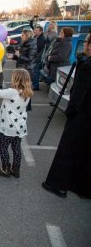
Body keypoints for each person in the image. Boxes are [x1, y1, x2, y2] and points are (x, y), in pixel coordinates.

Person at [42, 34, 91, 199]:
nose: (84, 45)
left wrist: (70, 111)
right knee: (85, 153)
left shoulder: (86, 67)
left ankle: (58, 185)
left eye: (86, 42)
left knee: (67, 151)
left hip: (81, 115)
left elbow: (78, 95)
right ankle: (82, 188)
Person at [0, 68, 33, 178]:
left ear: (16, 79)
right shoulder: (27, 92)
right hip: (19, 127)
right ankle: (15, 169)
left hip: (8, 127)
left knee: (3, 147)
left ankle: (5, 169)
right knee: (16, 148)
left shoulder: (12, 92)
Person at [32, 26, 46, 90]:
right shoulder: (36, 37)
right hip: (35, 57)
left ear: (41, 31)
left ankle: (36, 86)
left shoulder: (42, 39)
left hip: (38, 58)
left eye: (37, 30)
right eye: (35, 30)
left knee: (36, 72)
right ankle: (34, 85)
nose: (35, 31)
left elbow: (37, 48)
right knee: (34, 72)